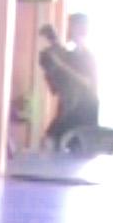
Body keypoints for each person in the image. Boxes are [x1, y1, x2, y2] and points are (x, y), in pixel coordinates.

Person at [39, 13, 99, 143]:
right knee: (49, 142)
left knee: (71, 146)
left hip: (83, 109)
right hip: (69, 107)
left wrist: (61, 65)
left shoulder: (88, 56)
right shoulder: (70, 54)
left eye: (71, 26)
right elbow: (57, 87)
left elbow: (87, 82)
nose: (67, 30)